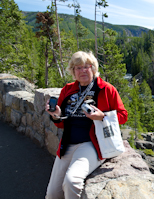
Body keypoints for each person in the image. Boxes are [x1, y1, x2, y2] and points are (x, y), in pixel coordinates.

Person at [45, 51, 128, 199]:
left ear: (93, 69)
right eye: (78, 67)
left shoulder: (106, 89)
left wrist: (102, 117)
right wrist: (56, 116)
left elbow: (123, 116)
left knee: (71, 181)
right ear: (73, 71)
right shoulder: (68, 90)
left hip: (93, 144)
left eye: (87, 66)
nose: (83, 70)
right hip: (68, 144)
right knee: (52, 194)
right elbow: (61, 123)